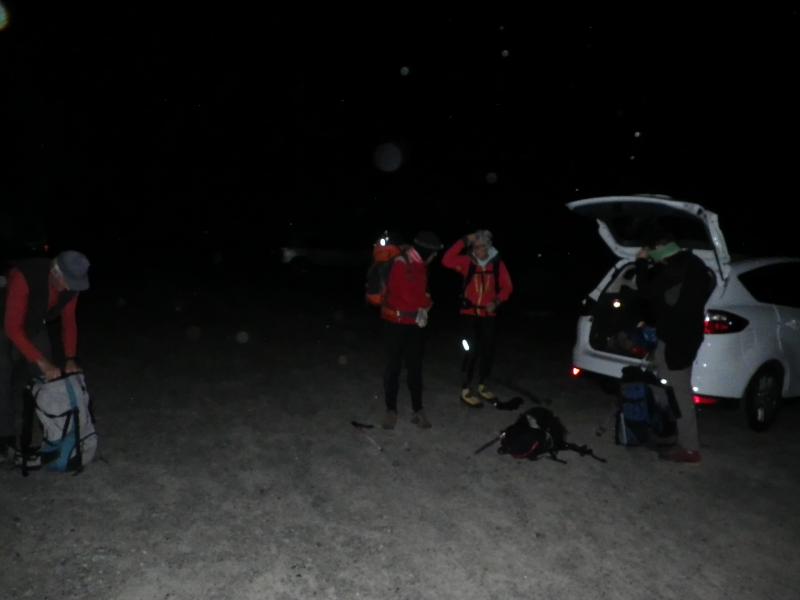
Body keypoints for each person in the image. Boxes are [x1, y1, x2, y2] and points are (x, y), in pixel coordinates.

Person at [0, 250, 91, 460]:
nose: (70, 288)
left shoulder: (72, 287)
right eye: (68, 282)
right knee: (2, 373)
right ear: (55, 272)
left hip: (33, 323)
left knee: (51, 379)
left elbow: (69, 321)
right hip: (3, 319)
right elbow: (12, 327)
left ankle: (54, 433)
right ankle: (4, 440)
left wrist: (70, 358)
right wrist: (41, 361)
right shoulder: (25, 276)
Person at [635, 228, 715, 463]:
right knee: (663, 382)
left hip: (679, 340)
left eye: (652, 250)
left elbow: (646, 291)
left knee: (680, 392)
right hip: (674, 336)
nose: (651, 255)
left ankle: (689, 448)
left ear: (662, 248)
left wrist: (641, 263)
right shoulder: (691, 263)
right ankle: (668, 429)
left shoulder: (678, 267)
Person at [441, 230, 513, 407]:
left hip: (488, 316)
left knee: (487, 350)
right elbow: (446, 260)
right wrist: (465, 239)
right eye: (476, 247)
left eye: (482, 246)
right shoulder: (467, 262)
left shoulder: (497, 264)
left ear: (488, 247)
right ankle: (465, 388)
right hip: (469, 315)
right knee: (470, 351)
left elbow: (507, 287)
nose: (479, 250)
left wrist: (496, 301)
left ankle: (482, 384)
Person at [380, 231, 442, 430]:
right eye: (433, 253)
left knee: (415, 368)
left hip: (413, 324)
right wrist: (427, 302)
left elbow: (417, 294)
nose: (434, 257)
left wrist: (423, 302)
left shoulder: (420, 265)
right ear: (426, 251)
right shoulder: (400, 262)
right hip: (395, 323)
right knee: (393, 368)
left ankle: (418, 409)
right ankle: (391, 410)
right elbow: (407, 297)